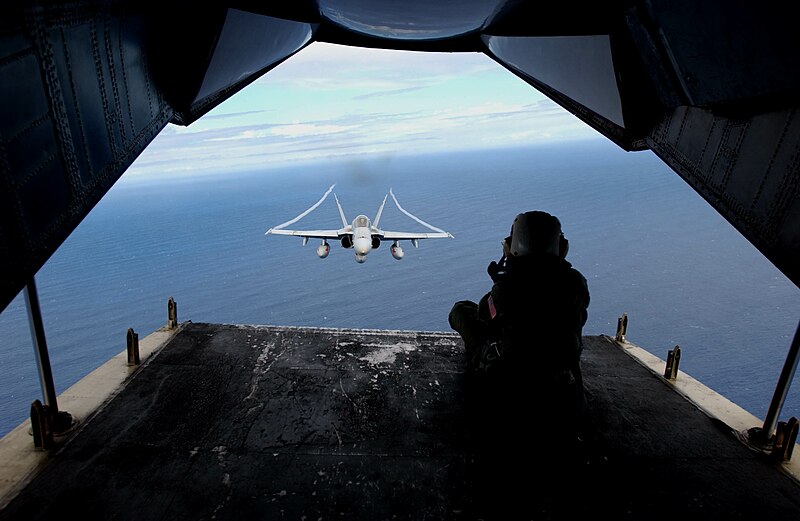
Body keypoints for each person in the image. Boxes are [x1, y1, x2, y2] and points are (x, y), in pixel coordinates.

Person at [449, 210, 590, 439]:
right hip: (564, 396)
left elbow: (487, 316)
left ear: (512, 245)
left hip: (507, 393)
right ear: (561, 247)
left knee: (461, 311)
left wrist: (504, 277)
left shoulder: (507, 288)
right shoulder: (575, 284)